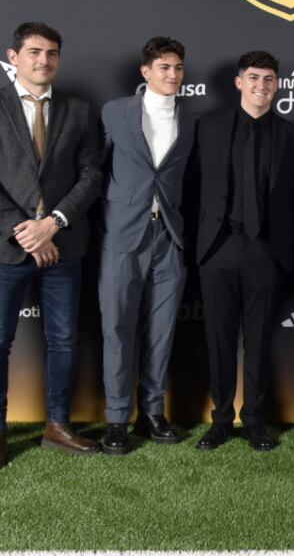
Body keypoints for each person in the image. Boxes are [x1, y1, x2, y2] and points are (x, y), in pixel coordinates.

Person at [0, 22, 104, 471]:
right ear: (14, 56)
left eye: (53, 53)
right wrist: (25, 230)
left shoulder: (79, 110)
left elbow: (91, 174)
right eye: (35, 51)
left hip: (63, 244)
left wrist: (53, 224)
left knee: (63, 340)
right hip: (5, 247)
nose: (45, 60)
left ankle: (57, 426)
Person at [192, 50, 294, 452]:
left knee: (258, 340)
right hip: (218, 246)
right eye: (254, 78)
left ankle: (255, 420)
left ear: (278, 85)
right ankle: (221, 419)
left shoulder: (293, 135)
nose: (262, 86)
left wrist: (285, 253)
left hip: (265, 249)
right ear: (239, 81)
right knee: (219, 339)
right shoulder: (208, 127)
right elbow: (191, 189)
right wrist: (201, 247)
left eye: (269, 79)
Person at [97, 37, 195, 455]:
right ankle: (117, 419)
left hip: (169, 237)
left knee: (161, 332)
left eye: (177, 68)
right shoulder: (114, 112)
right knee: (117, 328)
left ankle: (152, 413)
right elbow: (94, 169)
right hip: (122, 235)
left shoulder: (192, 120)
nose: (171, 74)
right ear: (145, 71)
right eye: (163, 67)